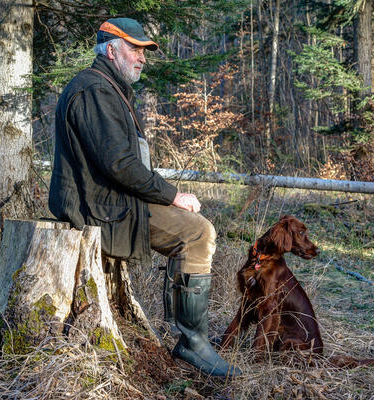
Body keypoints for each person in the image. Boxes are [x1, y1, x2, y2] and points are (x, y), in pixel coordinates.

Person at [48, 17, 240, 377]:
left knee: (198, 228)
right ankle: (192, 342)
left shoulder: (109, 87)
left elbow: (122, 162)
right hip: (100, 207)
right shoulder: (94, 90)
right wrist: (172, 195)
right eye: (135, 49)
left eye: (144, 51)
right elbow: (119, 164)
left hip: (114, 200)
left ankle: (188, 337)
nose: (143, 58)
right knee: (197, 233)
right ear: (110, 49)